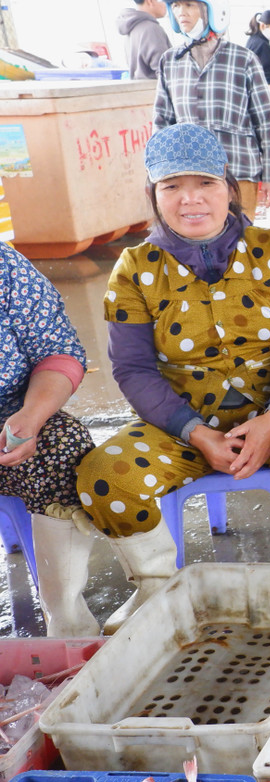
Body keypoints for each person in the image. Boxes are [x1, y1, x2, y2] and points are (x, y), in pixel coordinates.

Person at [76, 123, 270, 634]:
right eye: (172, 187)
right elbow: (132, 368)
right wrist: (195, 431)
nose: (190, 200)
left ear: (228, 187)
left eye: (205, 184)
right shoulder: (134, 268)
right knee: (104, 474)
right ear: (154, 195)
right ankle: (153, 584)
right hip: (180, 426)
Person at [0, 245, 99, 637]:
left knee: (65, 445)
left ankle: (71, 631)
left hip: (12, 420)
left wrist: (31, 418)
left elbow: (57, 352)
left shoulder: (4, 267)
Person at [154, 0, 270, 211]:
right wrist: (158, 174)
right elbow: (162, 122)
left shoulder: (243, 59)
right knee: (199, 241)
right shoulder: (170, 61)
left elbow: (267, 121)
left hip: (238, 171)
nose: (181, 12)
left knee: (238, 239)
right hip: (191, 175)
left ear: (212, 10)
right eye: (175, 6)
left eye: (189, 5)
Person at [118, 0, 171, 80]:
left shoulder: (131, 27)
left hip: (141, 89)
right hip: (156, 88)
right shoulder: (151, 29)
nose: (166, 4)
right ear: (150, 2)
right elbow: (165, 70)